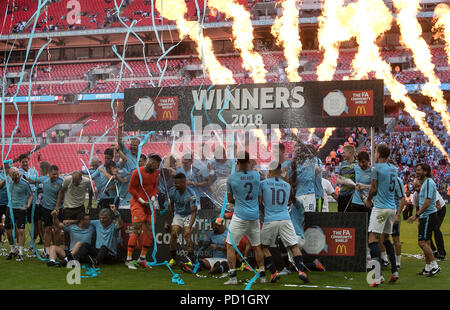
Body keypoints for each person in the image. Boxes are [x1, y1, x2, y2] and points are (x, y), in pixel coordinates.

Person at [259, 162, 310, 283]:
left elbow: (259, 202)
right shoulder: (286, 185)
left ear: (270, 171)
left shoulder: (263, 184)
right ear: (280, 171)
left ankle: (273, 273)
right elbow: (291, 200)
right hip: (285, 218)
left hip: (270, 219)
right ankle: (301, 271)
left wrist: (264, 211)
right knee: (293, 246)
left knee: (263, 247)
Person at [224, 151, 265, 285]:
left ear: (237, 162)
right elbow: (259, 200)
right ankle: (263, 276)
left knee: (230, 245)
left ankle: (233, 277)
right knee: (257, 246)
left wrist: (239, 201)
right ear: (249, 161)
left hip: (240, 215)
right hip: (254, 215)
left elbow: (230, 200)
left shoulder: (231, 178)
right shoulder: (256, 175)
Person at [364, 144, 401, 286]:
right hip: (392, 208)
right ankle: (394, 271)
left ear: (378, 153)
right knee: (385, 240)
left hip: (380, 207)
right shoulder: (394, 169)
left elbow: (374, 188)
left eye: (375, 152)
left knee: (372, 240)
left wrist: (368, 200)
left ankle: (377, 276)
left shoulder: (376, 168)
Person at [125, 154, 161, 269]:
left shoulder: (156, 173)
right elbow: (131, 188)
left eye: (158, 165)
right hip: (137, 203)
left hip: (149, 204)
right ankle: (129, 260)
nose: (157, 167)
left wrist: (153, 199)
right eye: (156, 164)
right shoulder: (137, 172)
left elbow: (155, 187)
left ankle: (142, 258)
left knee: (150, 230)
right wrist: (141, 200)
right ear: (150, 162)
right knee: (137, 229)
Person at [407, 163, 440, 277]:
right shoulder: (426, 183)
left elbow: (427, 202)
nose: (417, 172)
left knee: (422, 242)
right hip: (426, 216)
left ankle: (435, 266)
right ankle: (428, 267)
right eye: (416, 170)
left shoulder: (428, 183)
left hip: (428, 215)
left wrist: (416, 215)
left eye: (419, 170)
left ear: (426, 171)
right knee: (427, 242)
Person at [165, 173, 199, 269]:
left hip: (189, 214)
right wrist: (166, 222)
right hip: (178, 214)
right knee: (174, 234)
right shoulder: (172, 191)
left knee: (187, 235)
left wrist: (189, 226)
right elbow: (169, 207)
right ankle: (173, 259)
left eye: (177, 183)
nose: (175, 185)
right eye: (174, 183)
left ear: (184, 183)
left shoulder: (191, 193)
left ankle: (191, 260)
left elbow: (194, 212)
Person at [4, 167, 33, 261]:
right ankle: (13, 250)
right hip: (10, 208)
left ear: (18, 174)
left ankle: (20, 252)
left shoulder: (25, 183)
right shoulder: (9, 180)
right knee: (8, 231)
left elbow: (31, 195)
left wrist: (28, 205)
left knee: (21, 231)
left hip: (20, 209)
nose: (13, 177)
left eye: (15, 175)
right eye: (11, 175)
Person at [37, 165, 64, 257]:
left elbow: (60, 196)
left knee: (57, 230)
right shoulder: (44, 180)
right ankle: (46, 251)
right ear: (49, 173)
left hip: (57, 209)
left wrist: (56, 207)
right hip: (45, 208)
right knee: (47, 230)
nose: (56, 176)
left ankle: (55, 250)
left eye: (57, 174)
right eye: (54, 174)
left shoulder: (61, 182)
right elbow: (33, 181)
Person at [337, 145, 357, 212]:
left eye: (344, 152)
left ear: (350, 153)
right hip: (342, 195)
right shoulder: (341, 164)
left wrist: (349, 183)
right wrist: (344, 182)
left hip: (352, 196)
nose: (342, 154)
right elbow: (338, 178)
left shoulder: (357, 165)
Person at [431, 190, 446, 260]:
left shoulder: (431, 188)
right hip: (431, 210)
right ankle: (433, 251)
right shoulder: (417, 193)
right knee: (425, 230)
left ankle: (442, 253)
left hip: (440, 210)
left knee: (436, 229)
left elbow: (439, 206)